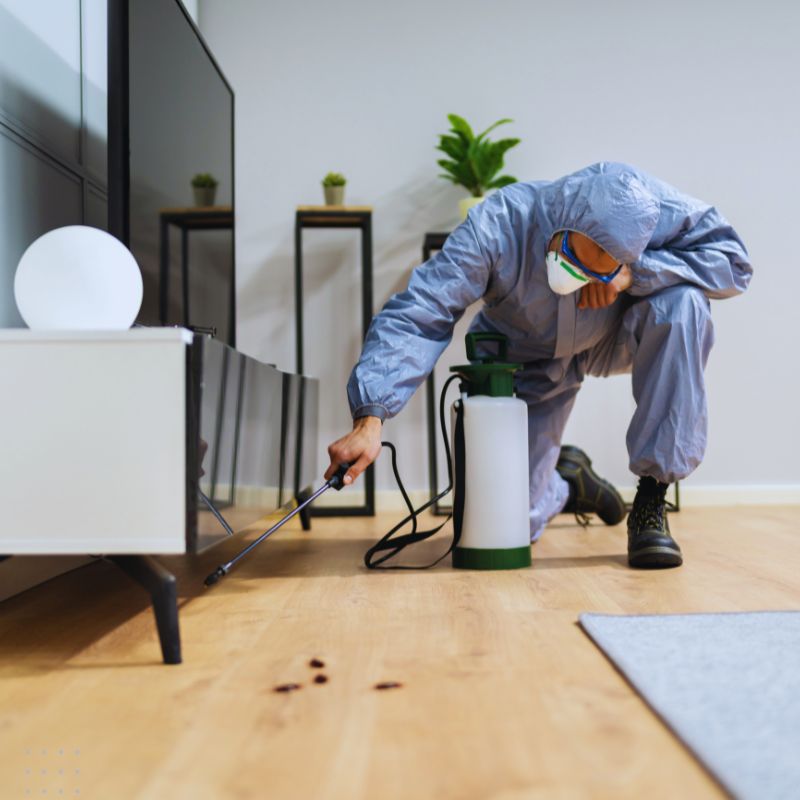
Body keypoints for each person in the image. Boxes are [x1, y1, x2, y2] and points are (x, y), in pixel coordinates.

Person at [325, 162, 752, 568]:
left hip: (611, 337)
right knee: (509, 524)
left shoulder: (653, 209)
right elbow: (422, 309)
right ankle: (567, 483)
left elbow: (733, 262)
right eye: (574, 257)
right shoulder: (497, 226)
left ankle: (651, 500)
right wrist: (371, 417)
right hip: (525, 359)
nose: (576, 278)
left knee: (684, 304)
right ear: (564, 222)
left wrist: (634, 274)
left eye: (594, 272)